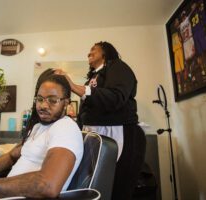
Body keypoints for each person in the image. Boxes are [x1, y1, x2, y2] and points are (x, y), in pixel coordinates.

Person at [55, 41, 146, 200]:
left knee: (117, 189)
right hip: (93, 135)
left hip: (118, 134)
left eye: (93, 50)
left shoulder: (118, 67)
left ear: (105, 53)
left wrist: (74, 86)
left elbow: (116, 98)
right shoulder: (92, 78)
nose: (88, 53)